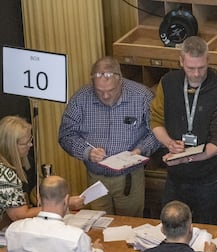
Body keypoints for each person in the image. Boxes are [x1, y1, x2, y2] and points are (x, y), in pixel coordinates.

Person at [59, 56, 160, 217]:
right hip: (96, 178)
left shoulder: (142, 96)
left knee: (130, 224)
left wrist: (140, 150)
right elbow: (66, 134)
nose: (105, 96)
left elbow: (157, 132)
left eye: (110, 91)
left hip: (129, 178)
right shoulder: (81, 98)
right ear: (93, 84)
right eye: (99, 91)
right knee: (99, 224)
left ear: (121, 81)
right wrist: (86, 152)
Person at [150, 36, 217, 224]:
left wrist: (188, 157)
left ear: (208, 60)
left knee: (207, 229)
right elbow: (156, 120)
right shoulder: (168, 83)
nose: (196, 74)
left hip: (208, 178)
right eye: (190, 68)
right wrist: (169, 143)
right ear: (181, 61)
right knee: (171, 229)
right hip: (175, 177)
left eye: (201, 68)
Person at [4, 175, 110, 252]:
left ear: (39, 199)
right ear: (66, 200)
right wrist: (98, 251)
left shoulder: (13, 230)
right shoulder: (76, 237)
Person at [0, 115, 83, 227]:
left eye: (31, 140)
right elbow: (19, 215)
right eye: (25, 143)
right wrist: (63, 204)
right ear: (11, 146)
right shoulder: (6, 175)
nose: (30, 145)